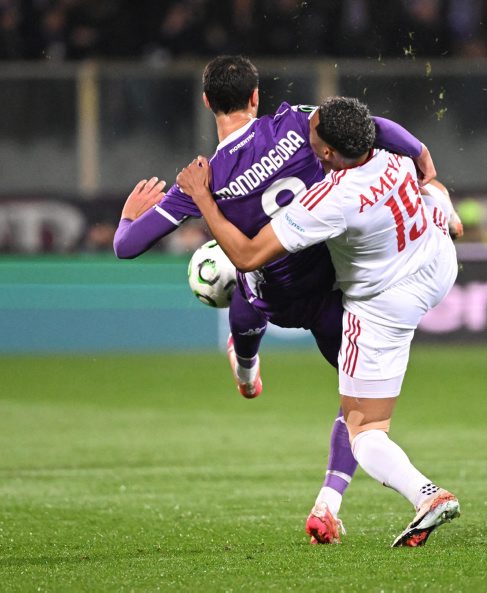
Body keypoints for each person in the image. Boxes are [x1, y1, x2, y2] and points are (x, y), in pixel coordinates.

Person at [114, 55, 438, 544]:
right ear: (255, 95)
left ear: (206, 102)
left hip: (273, 298)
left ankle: (246, 369)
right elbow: (372, 126)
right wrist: (421, 155)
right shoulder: (295, 125)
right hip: (332, 291)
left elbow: (127, 246)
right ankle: (328, 501)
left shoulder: (205, 178)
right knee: (359, 408)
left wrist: (128, 216)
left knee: (244, 292)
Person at [176, 96, 460, 548]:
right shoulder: (394, 158)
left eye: (311, 132)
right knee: (433, 198)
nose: (302, 132)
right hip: (437, 263)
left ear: (327, 152)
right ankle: (329, 503)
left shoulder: (331, 199)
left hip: (386, 306)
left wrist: (203, 199)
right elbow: (424, 173)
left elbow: (247, 256)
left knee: (364, 429)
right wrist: (443, 203)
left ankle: (428, 496)